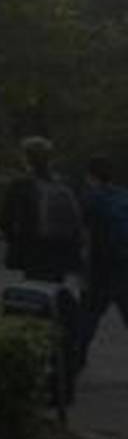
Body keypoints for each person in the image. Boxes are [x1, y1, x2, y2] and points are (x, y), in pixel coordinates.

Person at [0, 137, 84, 283]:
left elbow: (4, 220)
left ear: (26, 158)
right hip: (61, 248)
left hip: (33, 249)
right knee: (56, 287)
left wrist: (15, 241)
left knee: (36, 291)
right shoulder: (63, 183)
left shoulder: (20, 185)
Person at [78, 156, 128, 368]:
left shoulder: (90, 198)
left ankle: (76, 359)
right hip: (124, 265)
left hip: (99, 268)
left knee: (88, 318)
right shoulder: (123, 196)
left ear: (91, 176)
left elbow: (80, 233)